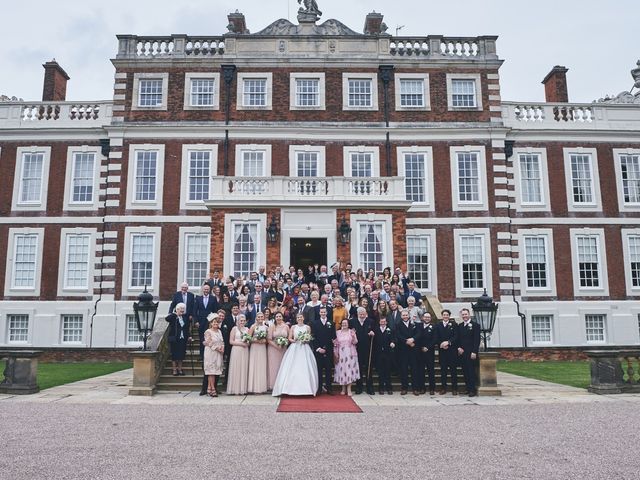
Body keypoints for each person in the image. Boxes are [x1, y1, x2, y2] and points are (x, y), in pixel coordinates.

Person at [272, 313, 319, 396]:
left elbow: (309, 339)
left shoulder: (307, 327)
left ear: (303, 318)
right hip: (295, 347)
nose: (299, 318)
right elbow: (290, 338)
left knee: (305, 366)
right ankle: (289, 388)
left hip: (305, 348)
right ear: (296, 319)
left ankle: (307, 389)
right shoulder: (293, 327)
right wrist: (295, 340)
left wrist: (305, 340)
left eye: (301, 317)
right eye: (298, 317)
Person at [350, 307, 375, 395]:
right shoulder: (353, 322)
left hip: (368, 348)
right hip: (357, 348)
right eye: (360, 314)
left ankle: (369, 387)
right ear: (357, 314)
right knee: (358, 368)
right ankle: (359, 387)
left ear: (365, 313)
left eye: (363, 313)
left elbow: (375, 331)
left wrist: (372, 333)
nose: (361, 315)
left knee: (369, 368)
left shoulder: (370, 321)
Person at [311, 306, 336, 395]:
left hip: (328, 350)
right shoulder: (314, 323)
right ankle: (319, 389)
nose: (323, 314)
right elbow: (313, 337)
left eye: (324, 312)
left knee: (329, 370)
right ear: (319, 313)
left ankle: (329, 388)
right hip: (318, 350)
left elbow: (333, 336)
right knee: (319, 370)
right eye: (321, 312)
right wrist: (318, 348)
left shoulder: (331, 323)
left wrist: (332, 344)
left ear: (327, 313)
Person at [457, 308, 481, 397]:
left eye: (465, 314)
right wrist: (458, 347)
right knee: (465, 372)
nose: (464, 316)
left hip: (471, 353)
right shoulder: (460, 326)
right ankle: (467, 388)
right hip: (462, 353)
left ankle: (472, 390)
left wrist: (474, 351)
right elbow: (458, 339)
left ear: (469, 314)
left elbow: (476, 340)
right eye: (463, 315)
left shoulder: (475, 325)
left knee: (471, 372)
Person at [333, 319, 359, 395]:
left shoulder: (351, 332)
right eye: (343, 323)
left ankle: (349, 388)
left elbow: (355, 342)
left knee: (349, 370)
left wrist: (354, 336)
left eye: (346, 323)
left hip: (350, 353)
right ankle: (343, 388)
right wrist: (336, 353)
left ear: (348, 324)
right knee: (342, 369)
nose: (344, 324)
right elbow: (335, 344)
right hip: (341, 353)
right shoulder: (338, 332)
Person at [396, 309, 419, 395]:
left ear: (409, 315)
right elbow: (398, 335)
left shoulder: (414, 324)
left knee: (414, 369)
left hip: (413, 350)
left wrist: (413, 339)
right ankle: (404, 388)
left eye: (406, 315)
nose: (405, 316)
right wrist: (406, 341)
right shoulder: (398, 325)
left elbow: (418, 333)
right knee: (404, 370)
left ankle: (415, 388)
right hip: (403, 350)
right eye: (403, 315)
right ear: (401, 316)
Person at [436, 309, 459, 395]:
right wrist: (441, 344)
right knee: (443, 371)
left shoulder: (454, 324)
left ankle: (454, 388)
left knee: (453, 371)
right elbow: (436, 337)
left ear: (449, 316)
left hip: (452, 351)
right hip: (442, 351)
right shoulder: (438, 325)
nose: (445, 316)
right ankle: (443, 388)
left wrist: (448, 342)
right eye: (444, 315)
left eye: (447, 315)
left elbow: (456, 336)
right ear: (442, 316)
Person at [165, 303, 191, 376]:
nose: (182, 311)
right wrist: (175, 314)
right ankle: (174, 370)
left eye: (183, 309)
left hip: (183, 339)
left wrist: (189, 336)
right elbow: (167, 319)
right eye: (180, 309)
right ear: (177, 309)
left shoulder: (185, 317)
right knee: (174, 355)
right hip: (175, 338)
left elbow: (186, 328)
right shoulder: (173, 317)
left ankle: (180, 369)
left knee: (181, 355)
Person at [226, 314, 250, 395]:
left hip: (245, 351)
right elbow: (231, 341)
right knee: (236, 368)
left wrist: (247, 343)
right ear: (238, 321)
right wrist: (241, 344)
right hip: (236, 350)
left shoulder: (247, 329)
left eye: (244, 321)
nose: (242, 322)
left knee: (243, 367)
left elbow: (249, 340)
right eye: (241, 320)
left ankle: (243, 389)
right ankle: (234, 389)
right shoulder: (234, 329)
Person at [415, 312, 438, 395]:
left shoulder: (434, 327)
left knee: (430, 370)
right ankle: (422, 388)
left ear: (430, 318)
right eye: (425, 317)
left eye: (428, 317)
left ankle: (432, 388)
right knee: (420, 371)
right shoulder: (418, 326)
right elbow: (417, 337)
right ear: (422, 318)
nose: (427, 318)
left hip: (429, 351)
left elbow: (435, 339)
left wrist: (427, 347)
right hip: (420, 352)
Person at [202, 314, 224, 397]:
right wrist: (218, 349)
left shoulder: (219, 331)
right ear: (211, 323)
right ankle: (213, 389)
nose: (216, 324)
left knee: (215, 371)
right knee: (211, 371)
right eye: (214, 322)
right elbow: (209, 343)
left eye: (217, 322)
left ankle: (209, 388)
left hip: (218, 353)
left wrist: (222, 348)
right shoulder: (208, 331)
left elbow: (222, 341)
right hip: (211, 352)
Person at [267, 311, 290, 390]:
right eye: (277, 317)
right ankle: (273, 385)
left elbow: (289, 338)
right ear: (275, 318)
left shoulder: (286, 327)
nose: (278, 318)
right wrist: (277, 346)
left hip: (283, 349)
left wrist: (284, 343)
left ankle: (282, 385)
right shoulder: (272, 326)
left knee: (282, 366)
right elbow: (269, 339)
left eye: (280, 316)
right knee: (274, 367)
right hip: (273, 349)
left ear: (282, 317)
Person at [372, 316, 395, 394]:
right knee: (380, 372)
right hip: (378, 354)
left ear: (386, 322)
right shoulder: (376, 330)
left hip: (387, 353)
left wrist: (392, 342)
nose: (383, 323)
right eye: (381, 322)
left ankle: (389, 388)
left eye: (384, 322)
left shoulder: (390, 330)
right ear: (379, 322)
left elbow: (393, 338)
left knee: (387, 371)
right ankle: (381, 388)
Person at [247, 312, 269, 394]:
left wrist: (264, 341)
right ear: (256, 318)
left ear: (263, 317)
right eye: (258, 317)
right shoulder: (253, 326)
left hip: (262, 348)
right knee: (254, 365)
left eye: (261, 317)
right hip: (254, 347)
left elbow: (268, 339)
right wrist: (256, 340)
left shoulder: (266, 327)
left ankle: (261, 387)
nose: (260, 318)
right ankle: (253, 387)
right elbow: (248, 338)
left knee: (261, 366)